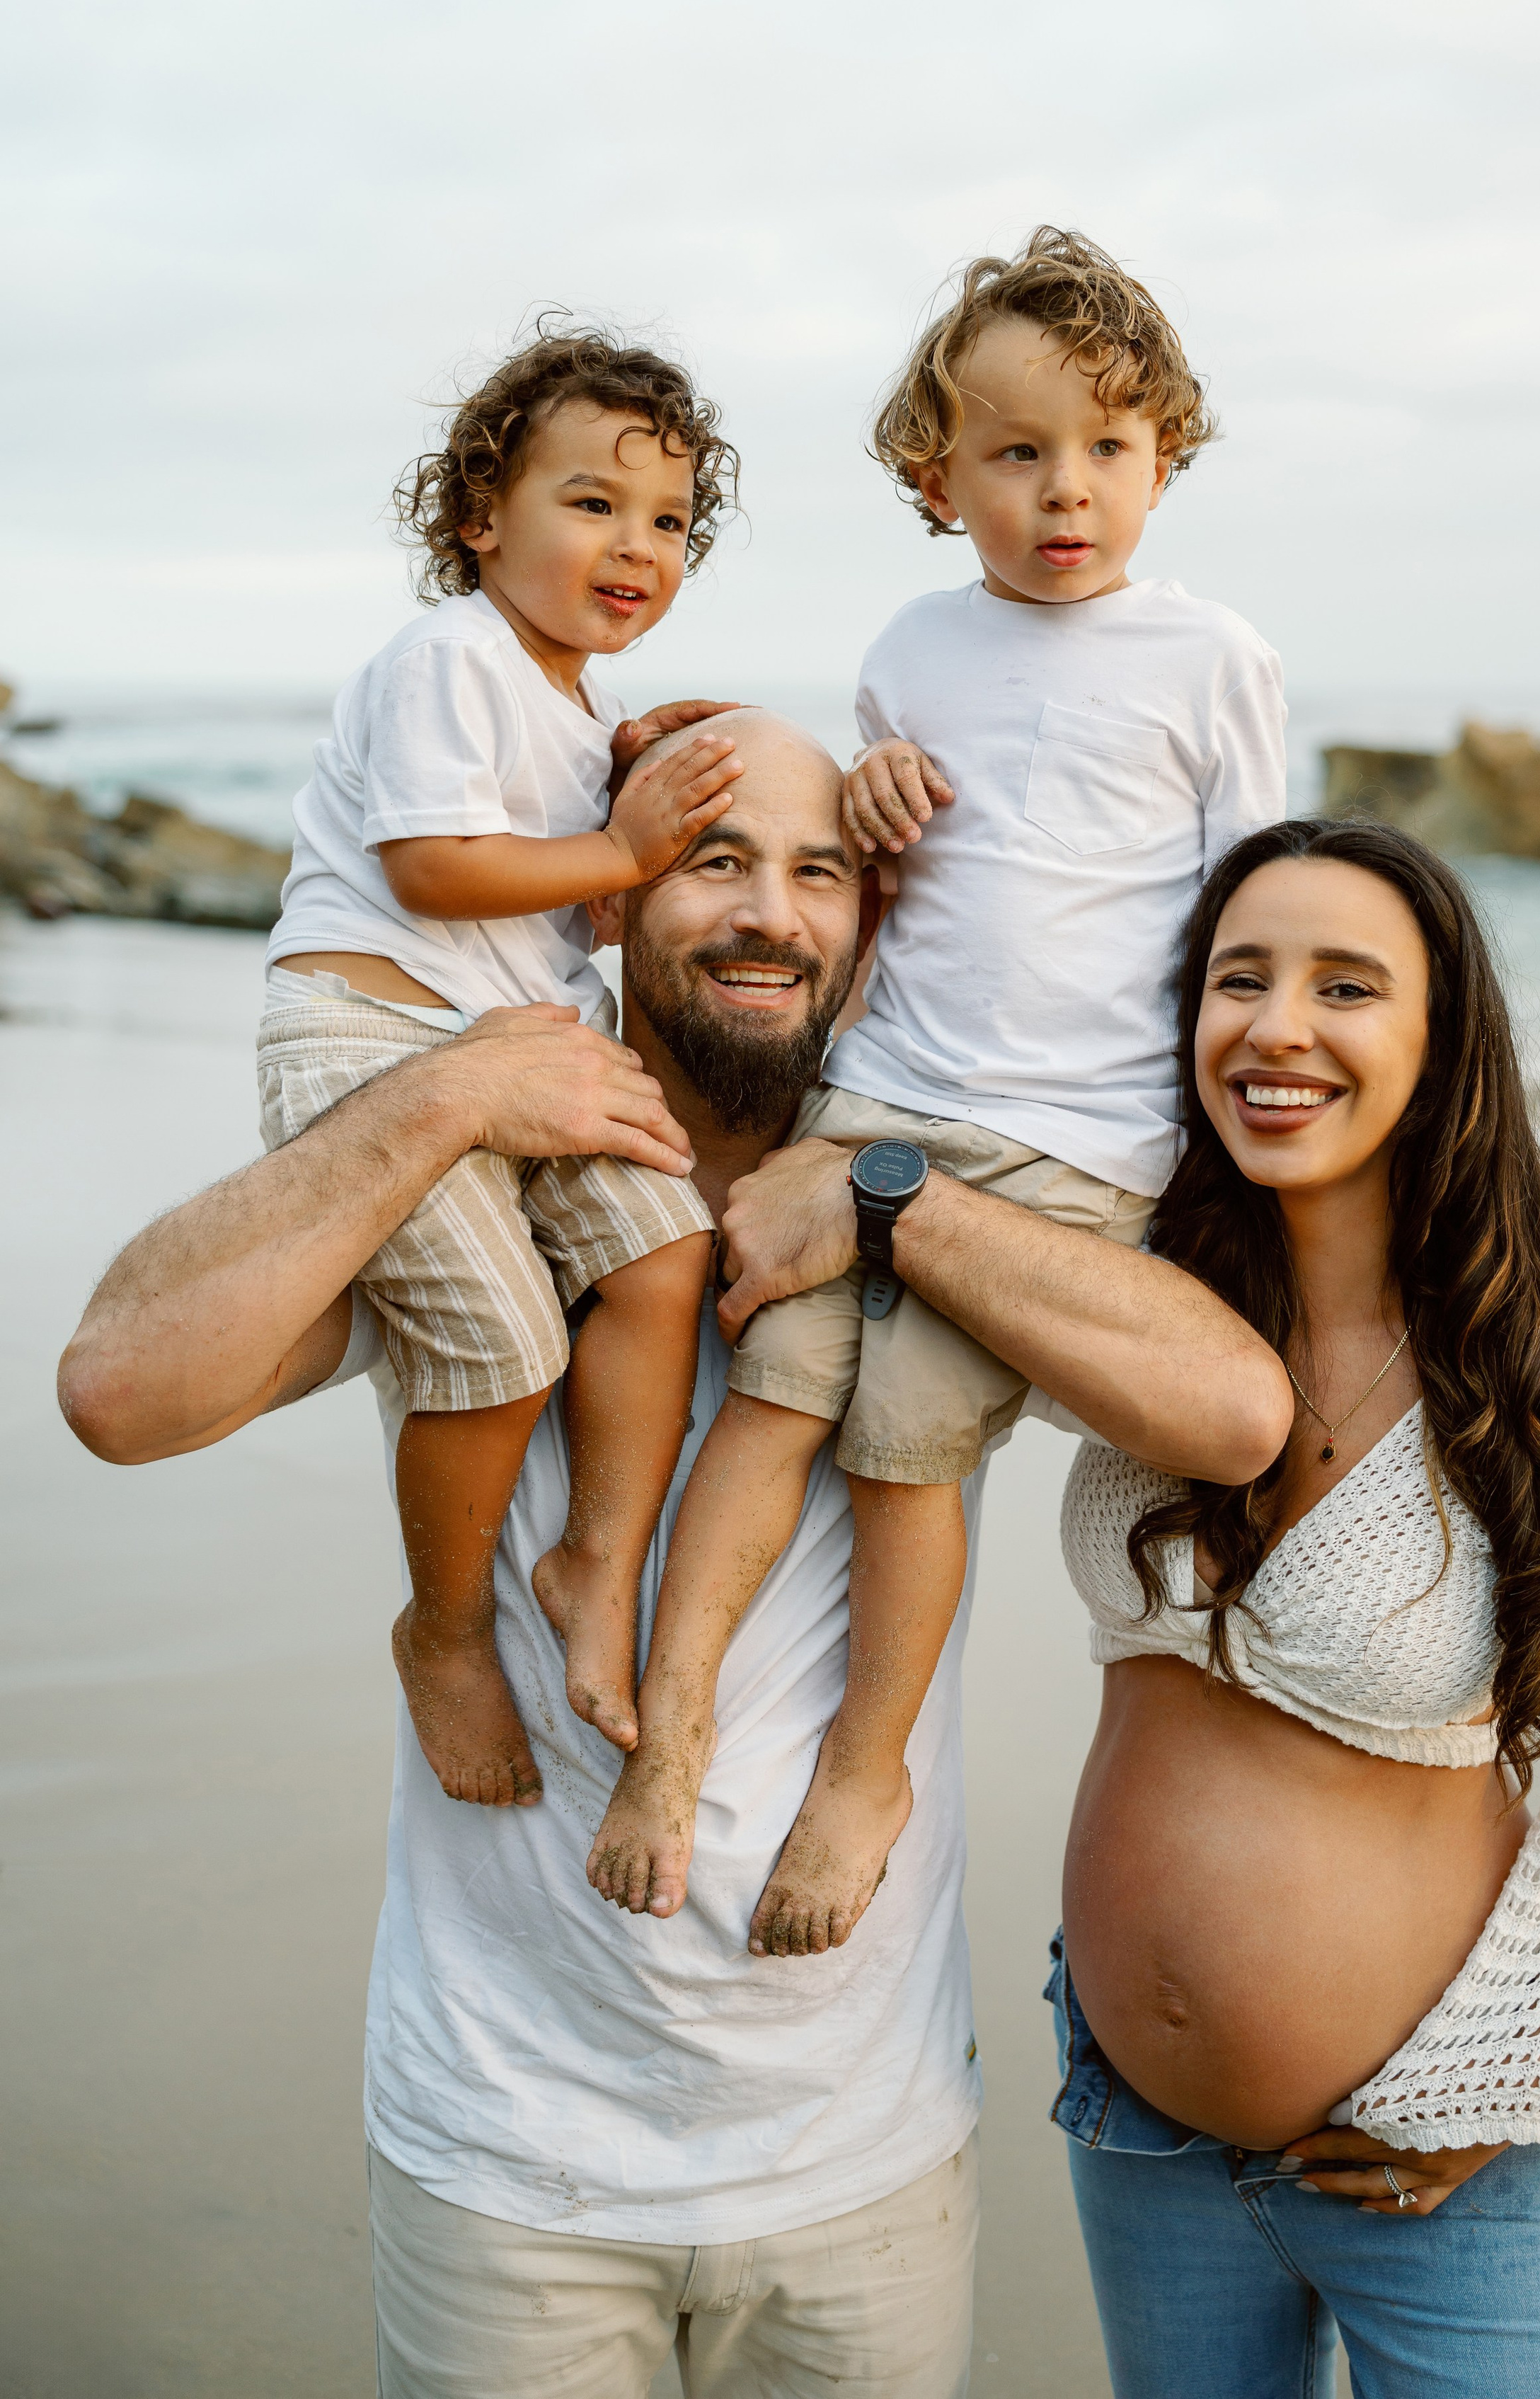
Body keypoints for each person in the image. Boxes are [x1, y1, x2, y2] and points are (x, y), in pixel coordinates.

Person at [58, 709, 1290, 2399]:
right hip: (504, 2158)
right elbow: (124, 1390)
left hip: (857, 2152)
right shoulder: (485, 1197)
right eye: (714, 859)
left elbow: (1234, 1416)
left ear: (877, 923)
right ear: (610, 896)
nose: (769, 914)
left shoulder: (935, 1192)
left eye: (820, 873)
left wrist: (884, 1195)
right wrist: (440, 1094)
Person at [594, 226, 1287, 1961]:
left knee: (903, 1455)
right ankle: (669, 1731)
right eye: (1018, 451)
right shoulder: (911, 643)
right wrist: (878, 779)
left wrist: (1236, 1168)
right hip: (884, 1094)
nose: (1068, 493)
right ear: (936, 475)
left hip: (1066, 1142)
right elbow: (883, 857)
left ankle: (862, 1770)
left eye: (1109, 451)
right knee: (767, 1394)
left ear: (1163, 462)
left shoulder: (1211, 660)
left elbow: (1250, 905)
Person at [1047, 818, 1540, 2398]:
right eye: (1237, 980)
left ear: (1439, 1042)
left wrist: (1498, 2073)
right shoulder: (1139, 1301)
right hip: (1134, 2131)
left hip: (1446, 2161)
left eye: (1343, 986)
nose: (1274, 1027)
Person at [262, 322, 745, 1808]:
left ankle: (595, 1556)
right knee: (500, 1339)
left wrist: (639, 824)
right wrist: (617, 845)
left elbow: (567, 901)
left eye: (666, 520)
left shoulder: (576, 705)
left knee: (666, 1254)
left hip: (522, 1051)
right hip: (377, 1039)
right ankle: (447, 1628)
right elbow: (428, 867)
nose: (635, 543)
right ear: (480, 517)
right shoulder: (449, 658)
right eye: (589, 502)